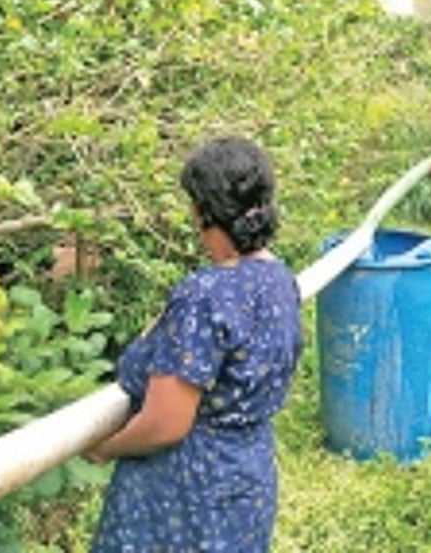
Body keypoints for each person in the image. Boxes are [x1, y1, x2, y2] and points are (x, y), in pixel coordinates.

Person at [86, 137, 303, 552]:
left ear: (204, 211)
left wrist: (106, 448)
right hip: (247, 480)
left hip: (183, 495)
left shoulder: (205, 295)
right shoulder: (279, 279)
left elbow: (166, 423)